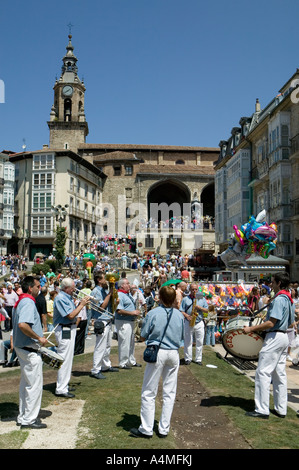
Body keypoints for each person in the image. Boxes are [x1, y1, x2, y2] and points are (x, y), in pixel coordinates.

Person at [130, 286, 184, 439]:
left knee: (149, 391)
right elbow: (181, 337)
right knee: (169, 392)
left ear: (160, 297)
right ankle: (163, 428)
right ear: (174, 299)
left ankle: (146, 428)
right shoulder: (179, 315)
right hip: (173, 352)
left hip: (158, 351)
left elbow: (144, 334)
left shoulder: (153, 313)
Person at [244, 272, 295, 419]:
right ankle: (281, 409)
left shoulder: (279, 299)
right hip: (284, 335)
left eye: (273, 282)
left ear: (279, 283)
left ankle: (262, 409)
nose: (271, 284)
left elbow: (271, 323)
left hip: (275, 336)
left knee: (263, 372)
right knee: (279, 374)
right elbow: (291, 322)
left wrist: (251, 329)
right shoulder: (289, 298)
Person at [13, 276, 48, 429]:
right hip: (29, 349)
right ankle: (29, 419)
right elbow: (23, 325)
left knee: (26, 384)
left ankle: (23, 416)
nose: (39, 289)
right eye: (37, 286)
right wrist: (39, 337)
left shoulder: (22, 300)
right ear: (30, 288)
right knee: (33, 385)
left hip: (22, 348)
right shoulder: (27, 301)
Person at [53, 278, 90, 398]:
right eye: (72, 287)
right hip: (64, 329)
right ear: (66, 288)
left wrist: (80, 304)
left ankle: (65, 385)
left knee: (69, 359)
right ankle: (61, 388)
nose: (74, 289)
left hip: (70, 328)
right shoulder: (60, 298)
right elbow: (70, 315)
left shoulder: (67, 297)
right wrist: (82, 304)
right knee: (64, 359)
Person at [90, 273, 118, 378]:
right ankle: (95, 369)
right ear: (98, 279)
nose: (106, 280)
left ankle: (106, 365)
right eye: (104, 278)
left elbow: (109, 305)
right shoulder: (96, 291)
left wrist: (115, 300)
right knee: (100, 346)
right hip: (101, 320)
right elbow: (101, 307)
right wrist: (110, 295)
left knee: (107, 345)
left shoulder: (104, 290)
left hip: (108, 319)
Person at [115, 278, 141, 369]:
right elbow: (119, 310)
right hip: (123, 321)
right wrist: (132, 313)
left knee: (131, 342)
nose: (129, 285)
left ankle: (131, 360)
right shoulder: (119, 295)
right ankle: (123, 362)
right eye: (127, 283)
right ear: (122, 285)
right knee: (124, 342)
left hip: (130, 321)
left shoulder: (127, 294)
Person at [180, 283, 208, 365]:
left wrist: (200, 308)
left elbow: (207, 310)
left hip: (199, 322)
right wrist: (186, 315)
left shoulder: (202, 299)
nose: (194, 291)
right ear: (190, 290)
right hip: (188, 322)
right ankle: (187, 358)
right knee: (188, 341)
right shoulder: (185, 299)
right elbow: (181, 310)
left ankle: (198, 359)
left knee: (200, 341)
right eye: (192, 289)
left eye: (196, 289)